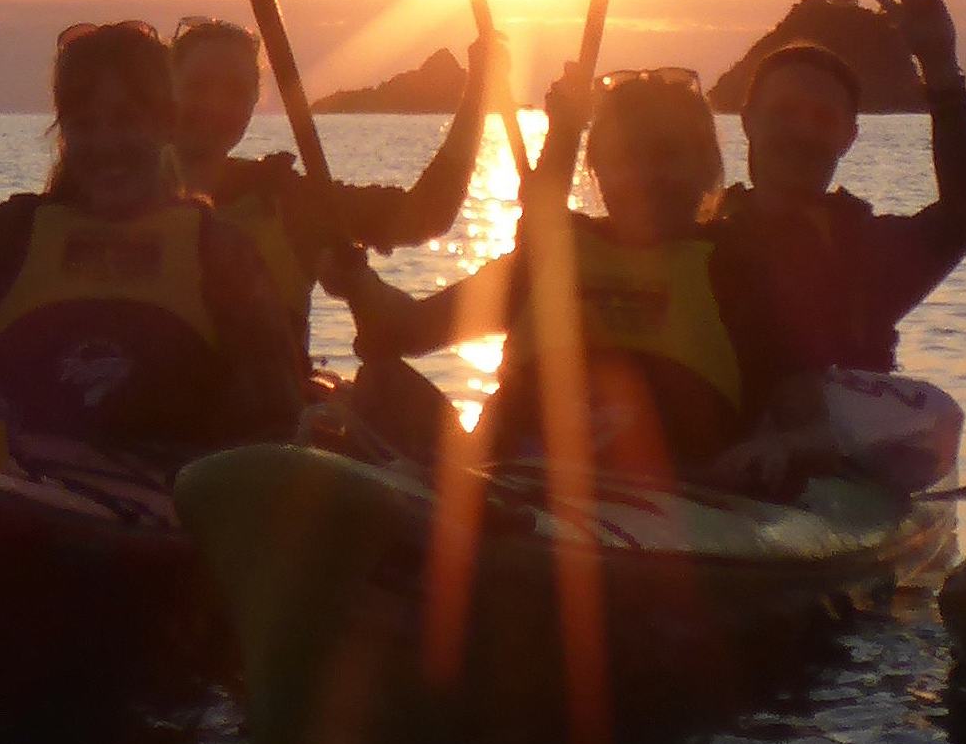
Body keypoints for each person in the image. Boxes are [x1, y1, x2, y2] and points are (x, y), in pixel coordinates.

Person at [329, 69, 832, 491]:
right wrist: (355, 280)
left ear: (707, 168)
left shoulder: (740, 269)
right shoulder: (553, 257)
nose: (647, 176)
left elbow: (808, 417)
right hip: (514, 483)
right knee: (380, 381)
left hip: (679, 494)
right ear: (599, 171)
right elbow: (404, 332)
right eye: (626, 158)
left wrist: (775, 447)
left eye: (668, 155)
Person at [0, 19, 307, 456]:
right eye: (85, 124)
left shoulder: (223, 254)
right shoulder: (8, 236)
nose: (106, 143)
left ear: (167, 123)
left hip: (157, 498)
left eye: (126, 121)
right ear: (64, 132)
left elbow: (272, 423)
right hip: (14, 486)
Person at [711, 0, 966, 486]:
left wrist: (941, 67)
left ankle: (807, 445)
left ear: (849, 136)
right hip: (724, 457)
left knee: (934, 413)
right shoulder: (700, 239)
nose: (801, 132)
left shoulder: (869, 251)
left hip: (844, 479)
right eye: (784, 113)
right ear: (748, 120)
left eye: (822, 119)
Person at [170, 15, 505, 355]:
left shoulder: (290, 202)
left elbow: (426, 214)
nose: (214, 104)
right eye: (197, 86)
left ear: (254, 101)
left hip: (262, 403)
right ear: (167, 91)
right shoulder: (123, 191)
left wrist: (479, 87)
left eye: (234, 90)